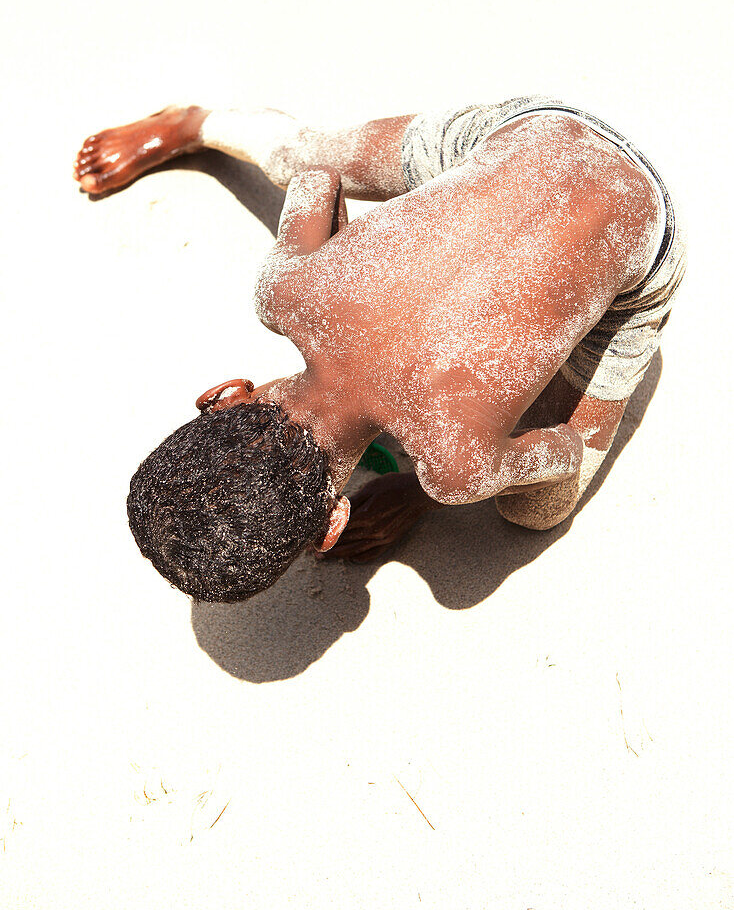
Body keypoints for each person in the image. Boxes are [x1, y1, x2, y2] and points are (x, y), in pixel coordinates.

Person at [74, 96, 685, 602]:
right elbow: (318, 180)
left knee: (539, 511)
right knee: (302, 154)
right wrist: (366, 264)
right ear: (225, 395)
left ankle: (187, 123)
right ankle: (196, 126)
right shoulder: (286, 292)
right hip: (536, 131)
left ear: (333, 523)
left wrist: (427, 485)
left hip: (652, 238)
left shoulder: (457, 465)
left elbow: (563, 451)